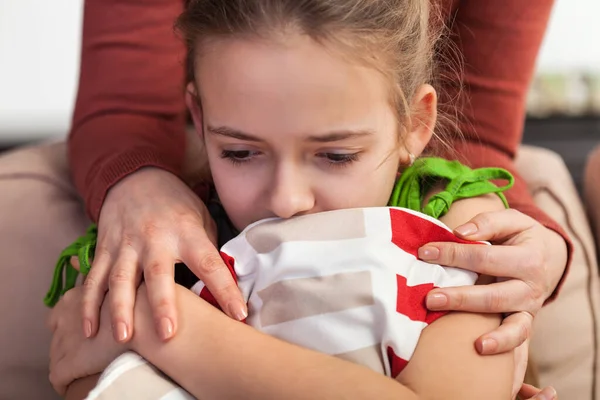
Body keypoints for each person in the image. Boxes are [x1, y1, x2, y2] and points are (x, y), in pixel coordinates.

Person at [48, 0, 557, 399]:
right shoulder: (151, 252)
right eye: (241, 152)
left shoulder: (451, 234)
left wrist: (162, 328)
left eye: (335, 156)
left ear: (414, 125)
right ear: (200, 121)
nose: (287, 200)